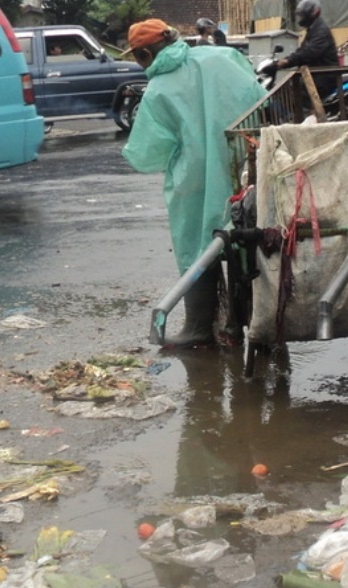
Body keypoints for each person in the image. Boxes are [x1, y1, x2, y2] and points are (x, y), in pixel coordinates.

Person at [122, 19, 264, 349]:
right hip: (245, 163)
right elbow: (258, 96)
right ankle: (259, 319)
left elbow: (148, 155)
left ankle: (199, 326)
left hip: (196, 181)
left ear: (145, 53)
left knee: (198, 245)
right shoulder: (220, 57)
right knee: (252, 237)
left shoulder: (158, 91)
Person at [264, 0, 339, 100]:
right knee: (289, 89)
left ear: (312, 13)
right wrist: (284, 60)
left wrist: (285, 62)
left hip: (324, 77)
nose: (301, 19)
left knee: (296, 96)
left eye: (303, 16)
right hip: (314, 75)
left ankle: (307, 114)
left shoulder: (321, 31)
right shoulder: (313, 29)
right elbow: (301, 51)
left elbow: (308, 53)